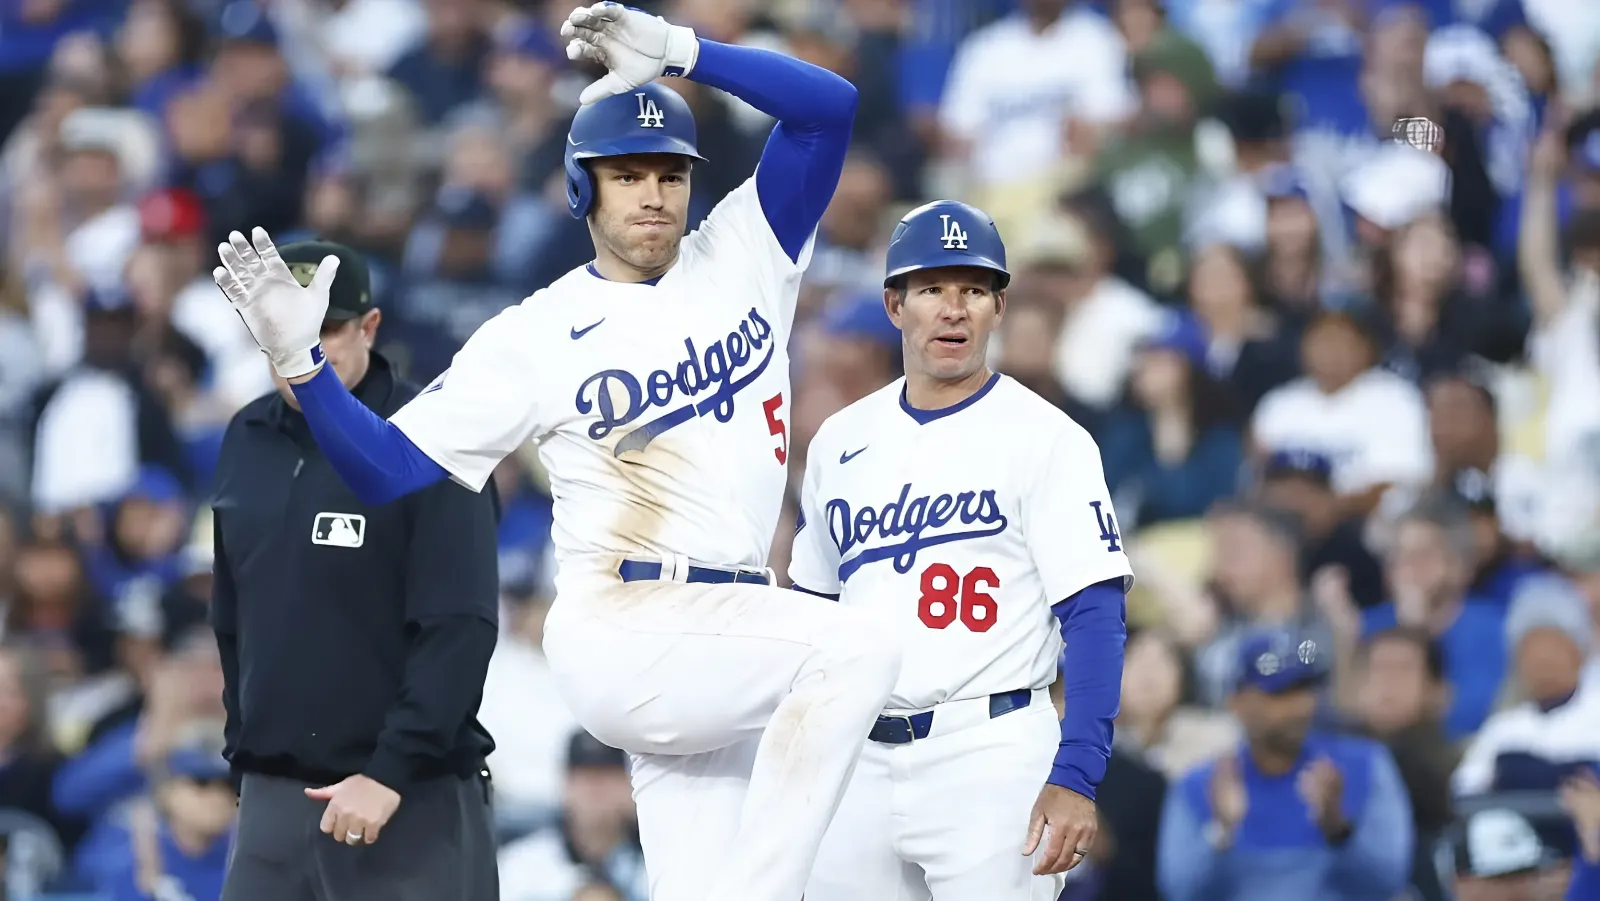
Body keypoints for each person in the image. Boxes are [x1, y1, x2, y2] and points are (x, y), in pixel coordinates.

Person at [209, 6, 901, 901]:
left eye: (668, 173)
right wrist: (307, 368)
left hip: (730, 634)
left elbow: (829, 108)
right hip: (628, 616)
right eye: (626, 175)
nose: (653, 193)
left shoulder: (745, 250)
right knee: (858, 648)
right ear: (582, 189)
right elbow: (385, 470)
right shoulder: (534, 334)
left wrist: (688, 53)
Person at [788, 200, 1132, 899]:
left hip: (991, 747)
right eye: (933, 288)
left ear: (998, 307)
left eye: (974, 289)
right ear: (894, 304)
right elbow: (809, 616)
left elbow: (1095, 616)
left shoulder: (1048, 438)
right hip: (857, 755)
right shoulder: (840, 441)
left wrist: (1075, 773)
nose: (954, 309)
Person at [208, 240, 501, 901]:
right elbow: (231, 617)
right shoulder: (244, 437)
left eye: (327, 328)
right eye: (285, 325)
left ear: (369, 327)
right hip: (272, 807)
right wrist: (243, 759)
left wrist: (390, 772)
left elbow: (460, 627)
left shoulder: (431, 436)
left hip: (405, 804)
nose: (305, 345)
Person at [1156, 628, 1413, 901]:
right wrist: (1221, 833)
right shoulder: (1202, 785)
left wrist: (1338, 831)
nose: (1298, 707)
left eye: (1302, 690)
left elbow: (1389, 882)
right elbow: (1180, 892)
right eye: (1279, 693)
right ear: (1237, 703)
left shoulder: (1364, 765)